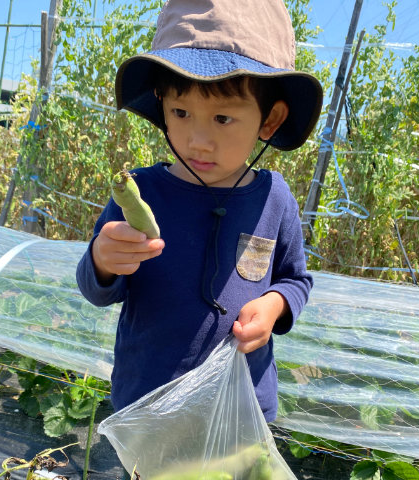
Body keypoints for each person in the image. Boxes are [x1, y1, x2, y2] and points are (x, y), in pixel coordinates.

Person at [77, 0, 322, 441]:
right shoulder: (139, 193)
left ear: (271, 119)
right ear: (161, 104)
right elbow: (96, 289)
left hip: (239, 407)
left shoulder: (274, 198)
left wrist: (274, 306)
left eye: (223, 117)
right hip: (148, 405)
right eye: (181, 112)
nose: (197, 140)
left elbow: (295, 280)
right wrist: (102, 259)